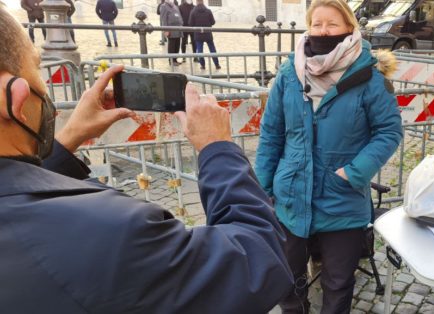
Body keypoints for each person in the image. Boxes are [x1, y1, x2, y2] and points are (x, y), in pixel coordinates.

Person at [0, 6, 293, 313]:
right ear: (15, 94)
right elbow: (258, 260)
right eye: (36, 67)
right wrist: (217, 147)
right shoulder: (110, 228)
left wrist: (66, 139)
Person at [255, 0, 403, 312]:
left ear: (350, 28)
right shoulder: (289, 73)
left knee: (338, 283)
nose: (323, 30)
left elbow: (389, 131)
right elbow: (271, 134)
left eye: (332, 24)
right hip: (290, 197)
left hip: (342, 198)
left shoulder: (369, 77)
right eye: (317, 24)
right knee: (288, 280)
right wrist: (263, 189)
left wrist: (355, 172)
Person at [188, 0, 220, 70]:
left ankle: (202, 65)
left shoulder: (193, 12)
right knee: (212, 49)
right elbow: (213, 22)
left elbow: (190, 23)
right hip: (208, 33)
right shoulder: (208, 11)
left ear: (196, 2)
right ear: (203, 2)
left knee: (200, 50)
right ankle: (217, 64)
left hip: (198, 34)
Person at [161, 0, 184, 66]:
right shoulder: (164, 6)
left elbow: (179, 16)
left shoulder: (175, 6)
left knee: (177, 45)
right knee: (172, 45)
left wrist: (181, 23)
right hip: (171, 29)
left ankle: (175, 59)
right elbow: (164, 19)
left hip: (178, 28)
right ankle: (171, 61)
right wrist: (165, 30)